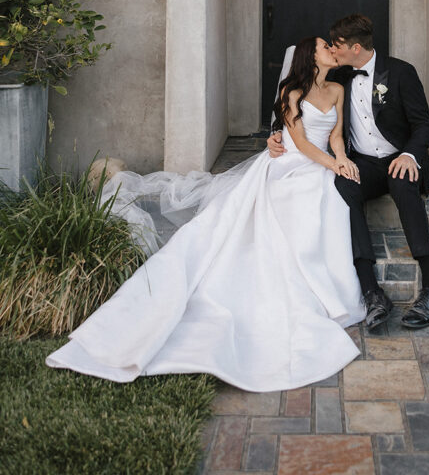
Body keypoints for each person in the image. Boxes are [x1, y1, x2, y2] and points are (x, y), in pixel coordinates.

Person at [46, 38, 366, 390]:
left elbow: (334, 135)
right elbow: (301, 144)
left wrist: (341, 159)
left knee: (331, 199)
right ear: (310, 56)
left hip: (321, 164)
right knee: (298, 200)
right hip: (290, 164)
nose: (330, 49)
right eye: (324, 46)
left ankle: (328, 287)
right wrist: (331, 164)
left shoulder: (337, 88)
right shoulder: (292, 92)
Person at [268, 14, 429, 330]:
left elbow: (424, 124)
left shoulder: (402, 73)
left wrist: (408, 155)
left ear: (355, 47)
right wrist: (276, 134)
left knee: (405, 185)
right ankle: (372, 292)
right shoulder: (341, 79)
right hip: (363, 162)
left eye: (336, 46)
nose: (333, 51)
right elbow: (299, 102)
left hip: (396, 159)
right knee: (343, 187)